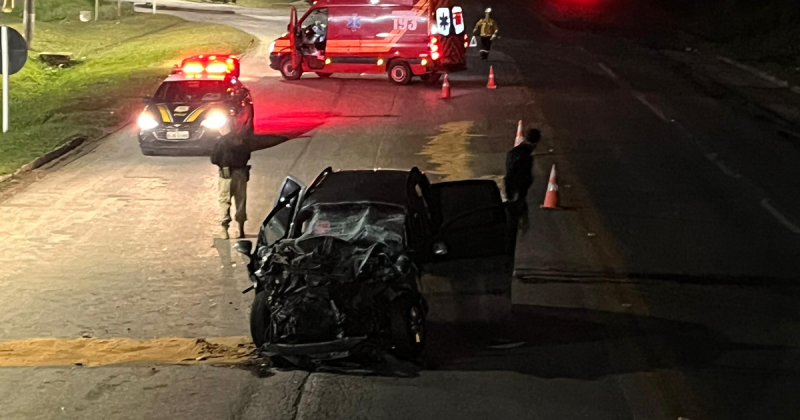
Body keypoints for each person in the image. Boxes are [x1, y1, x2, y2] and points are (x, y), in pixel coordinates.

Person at [211, 136, 251, 240]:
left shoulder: (222, 142)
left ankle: (225, 230)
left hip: (226, 175)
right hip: (240, 174)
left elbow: (214, 159)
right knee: (241, 201)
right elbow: (247, 155)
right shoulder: (243, 140)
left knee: (224, 201)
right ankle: (241, 229)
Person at [504, 128, 540, 227]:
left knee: (514, 204)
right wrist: (527, 182)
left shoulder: (514, 152)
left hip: (510, 182)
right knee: (517, 205)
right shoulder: (526, 156)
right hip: (518, 183)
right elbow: (522, 173)